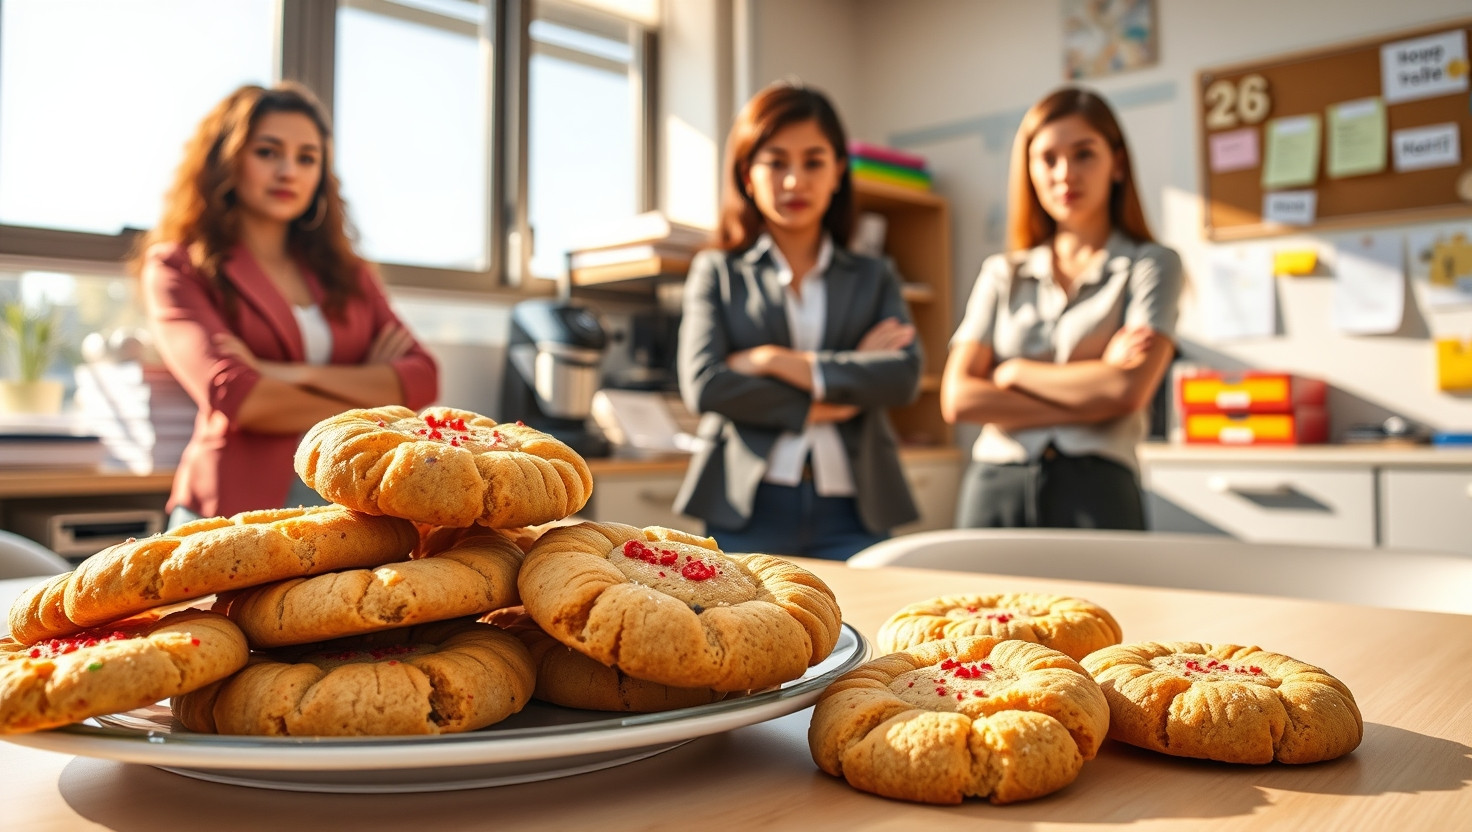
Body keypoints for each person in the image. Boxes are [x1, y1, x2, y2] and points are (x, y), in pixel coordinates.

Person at [135, 82, 439, 528]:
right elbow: (240, 397)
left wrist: (285, 373)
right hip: (230, 512)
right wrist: (373, 401)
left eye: (306, 158)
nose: (288, 171)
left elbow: (424, 379)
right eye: (267, 152)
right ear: (227, 160)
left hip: (349, 511)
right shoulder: (177, 266)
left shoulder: (350, 274)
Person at [675, 82, 922, 560]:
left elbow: (902, 377)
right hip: (747, 507)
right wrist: (831, 397)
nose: (794, 181)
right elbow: (705, 384)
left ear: (837, 174)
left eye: (813, 162)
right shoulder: (718, 270)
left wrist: (773, 360)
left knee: (864, 632)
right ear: (748, 174)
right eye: (776, 162)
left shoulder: (874, 275)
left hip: (856, 509)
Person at [941, 86, 1182, 529]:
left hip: (1100, 489)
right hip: (996, 485)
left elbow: (1127, 392)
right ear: (1029, 170)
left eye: (1084, 154)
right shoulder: (1002, 272)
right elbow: (958, 399)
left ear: (1118, 163)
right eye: (1048, 158)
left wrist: (1013, 374)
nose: (1065, 173)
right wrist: (1093, 393)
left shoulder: (1153, 264)